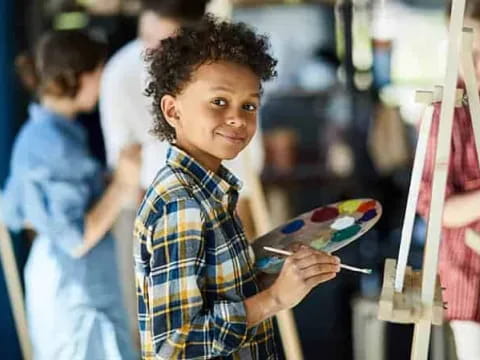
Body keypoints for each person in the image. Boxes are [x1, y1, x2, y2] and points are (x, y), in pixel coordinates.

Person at [134, 15, 341, 359]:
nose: (238, 118)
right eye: (219, 101)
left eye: (249, 105)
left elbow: (215, 295)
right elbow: (173, 347)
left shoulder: (211, 190)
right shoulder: (181, 202)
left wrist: (273, 277)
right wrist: (274, 299)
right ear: (172, 110)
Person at [2, 30, 139, 359]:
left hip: (74, 286)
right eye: (99, 73)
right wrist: (122, 183)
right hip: (73, 292)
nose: (102, 84)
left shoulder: (47, 135)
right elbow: (76, 238)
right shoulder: (51, 144)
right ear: (80, 76)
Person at [417, 1, 480, 359]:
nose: (478, 63)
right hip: (469, 278)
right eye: (470, 52)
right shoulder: (446, 114)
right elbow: (434, 208)